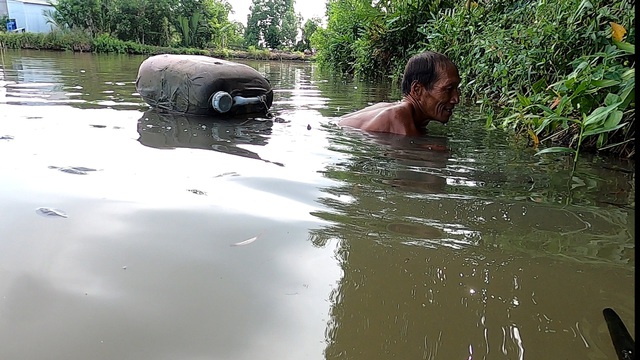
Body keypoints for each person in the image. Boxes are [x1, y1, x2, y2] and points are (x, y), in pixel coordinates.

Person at [339, 51, 461, 136]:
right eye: (448, 89)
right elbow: (409, 153)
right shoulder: (398, 115)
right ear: (417, 89)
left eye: (456, 89)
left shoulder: (396, 111)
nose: (456, 99)